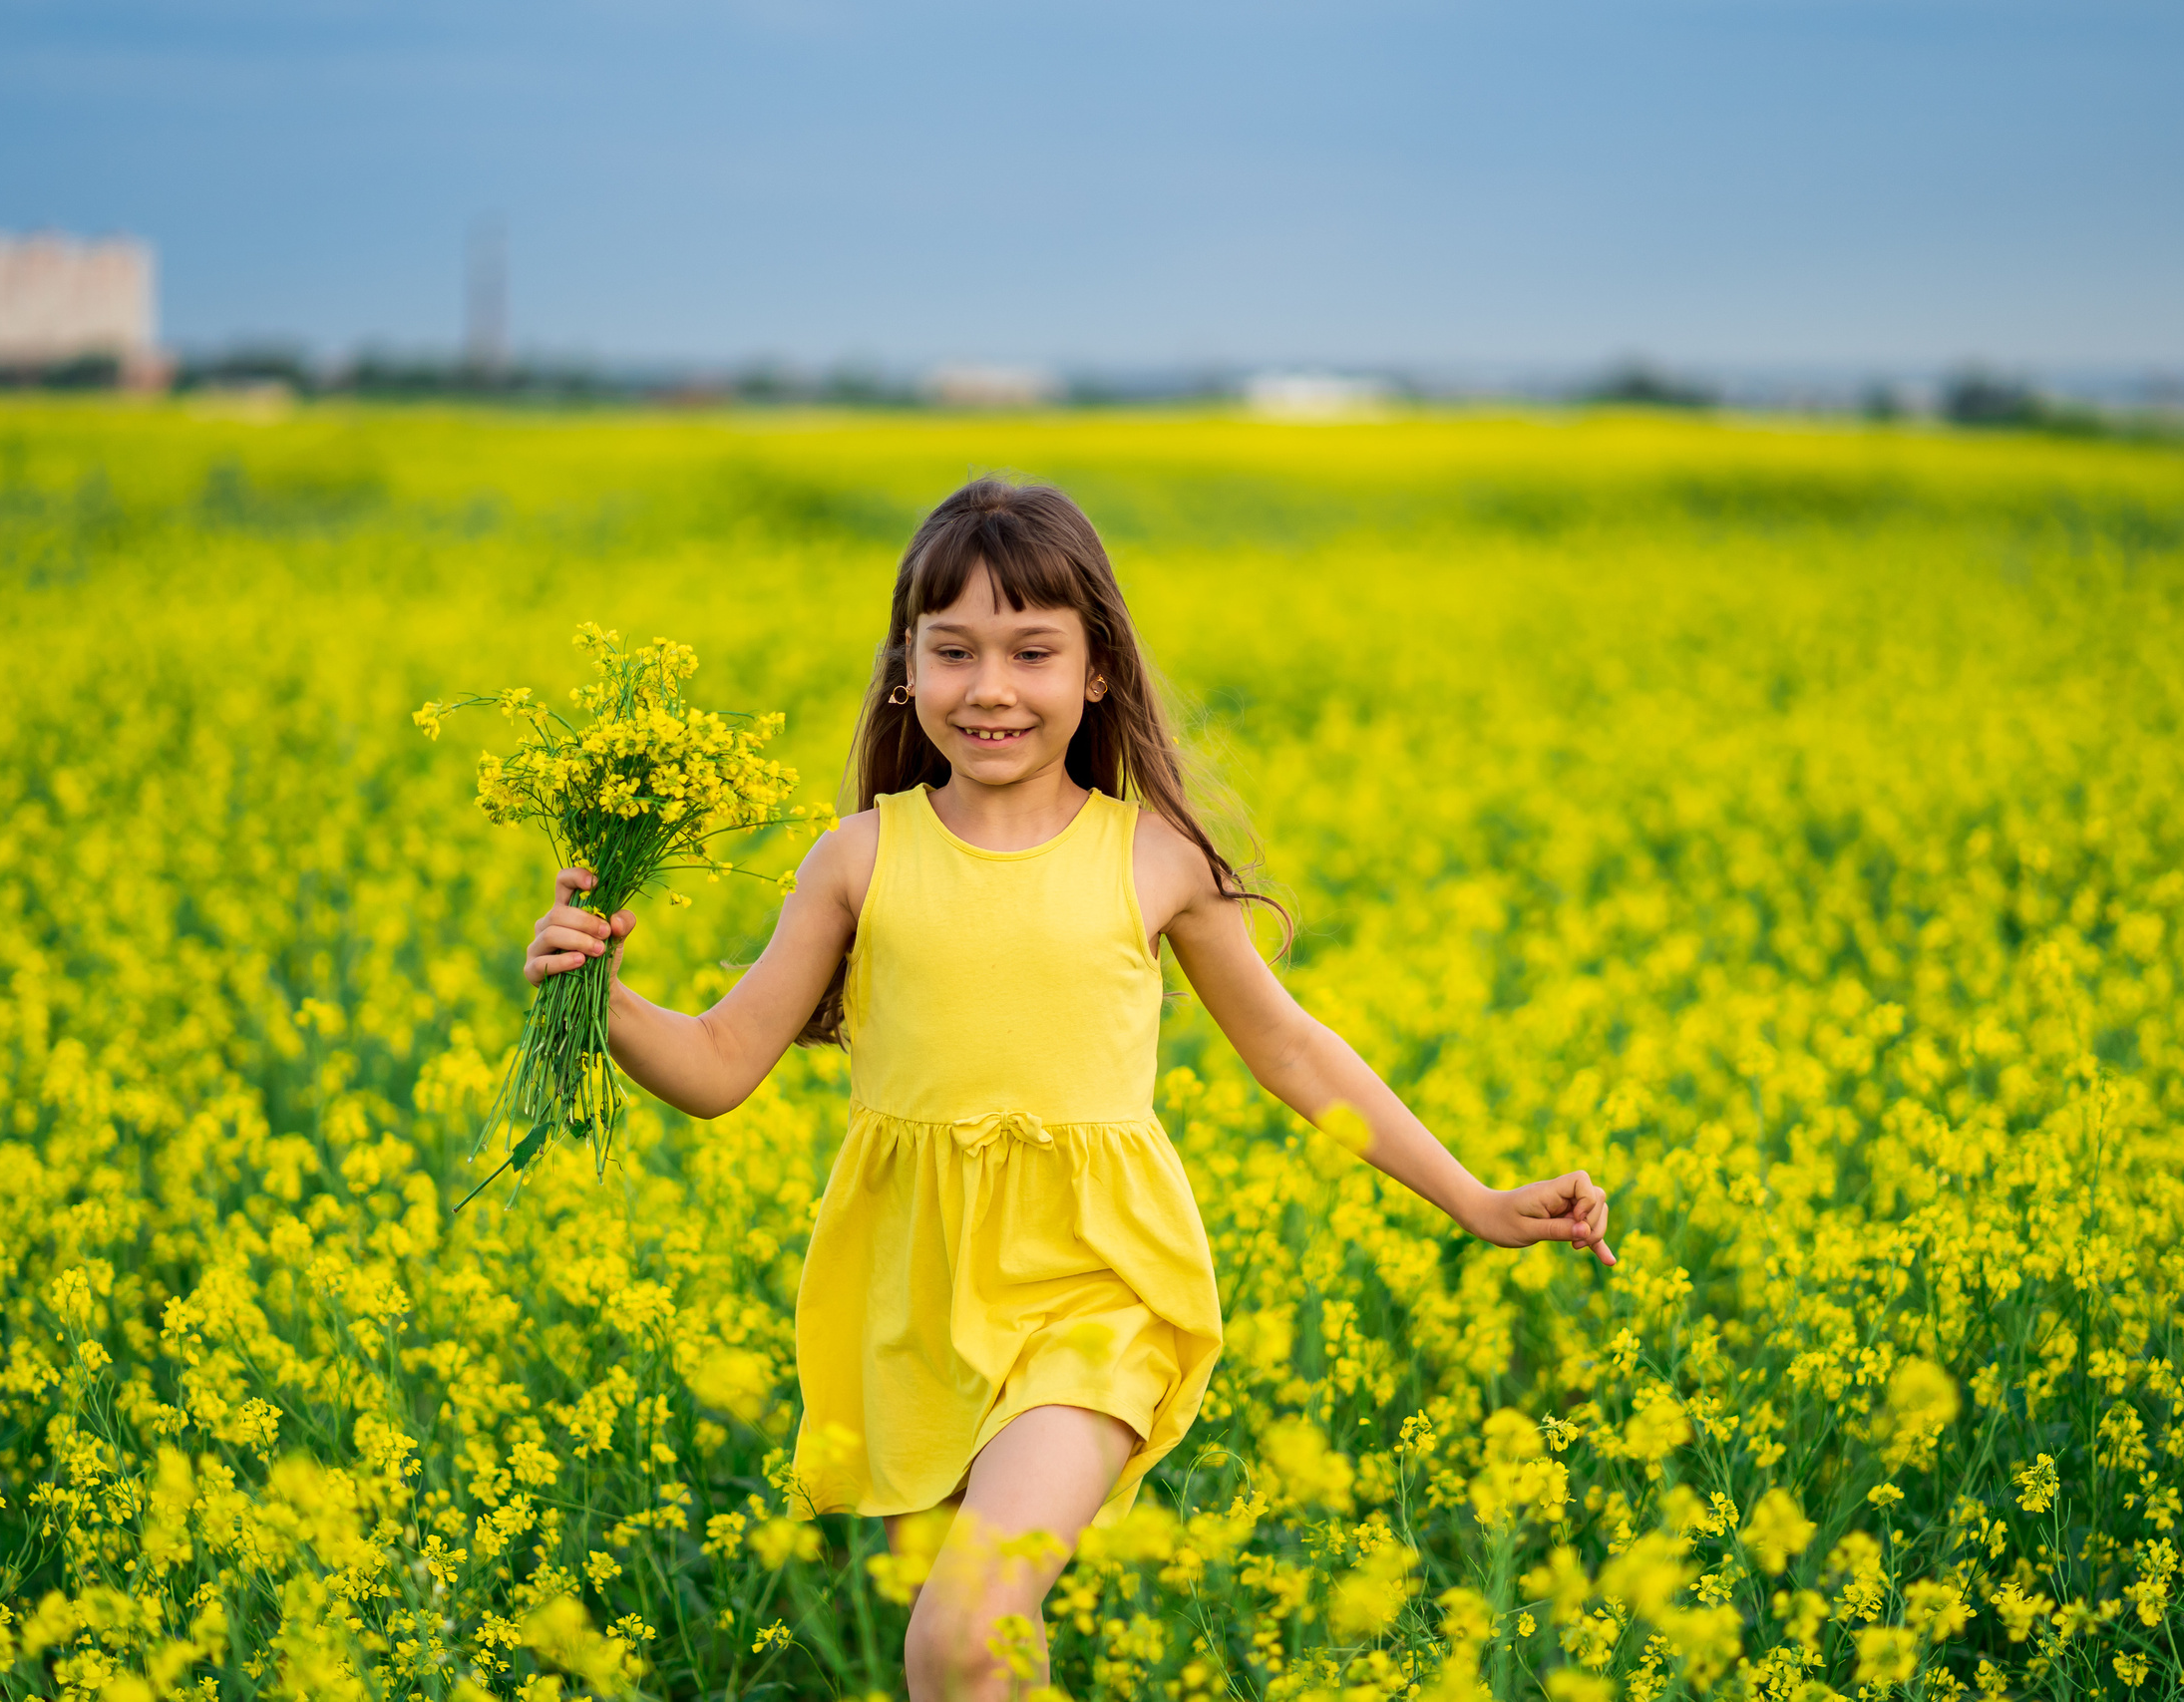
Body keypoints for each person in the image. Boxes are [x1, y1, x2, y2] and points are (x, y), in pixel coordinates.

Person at [520, 478, 1619, 1700]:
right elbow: (721, 1066)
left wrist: (1474, 1199)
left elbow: (1294, 1050)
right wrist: (601, 995)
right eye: (953, 652)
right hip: (913, 1295)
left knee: (958, 1631)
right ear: (904, 671)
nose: (989, 687)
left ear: (1097, 670)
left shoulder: (1152, 857)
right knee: (979, 1656)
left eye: (1031, 652)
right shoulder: (857, 858)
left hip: (1099, 1288)